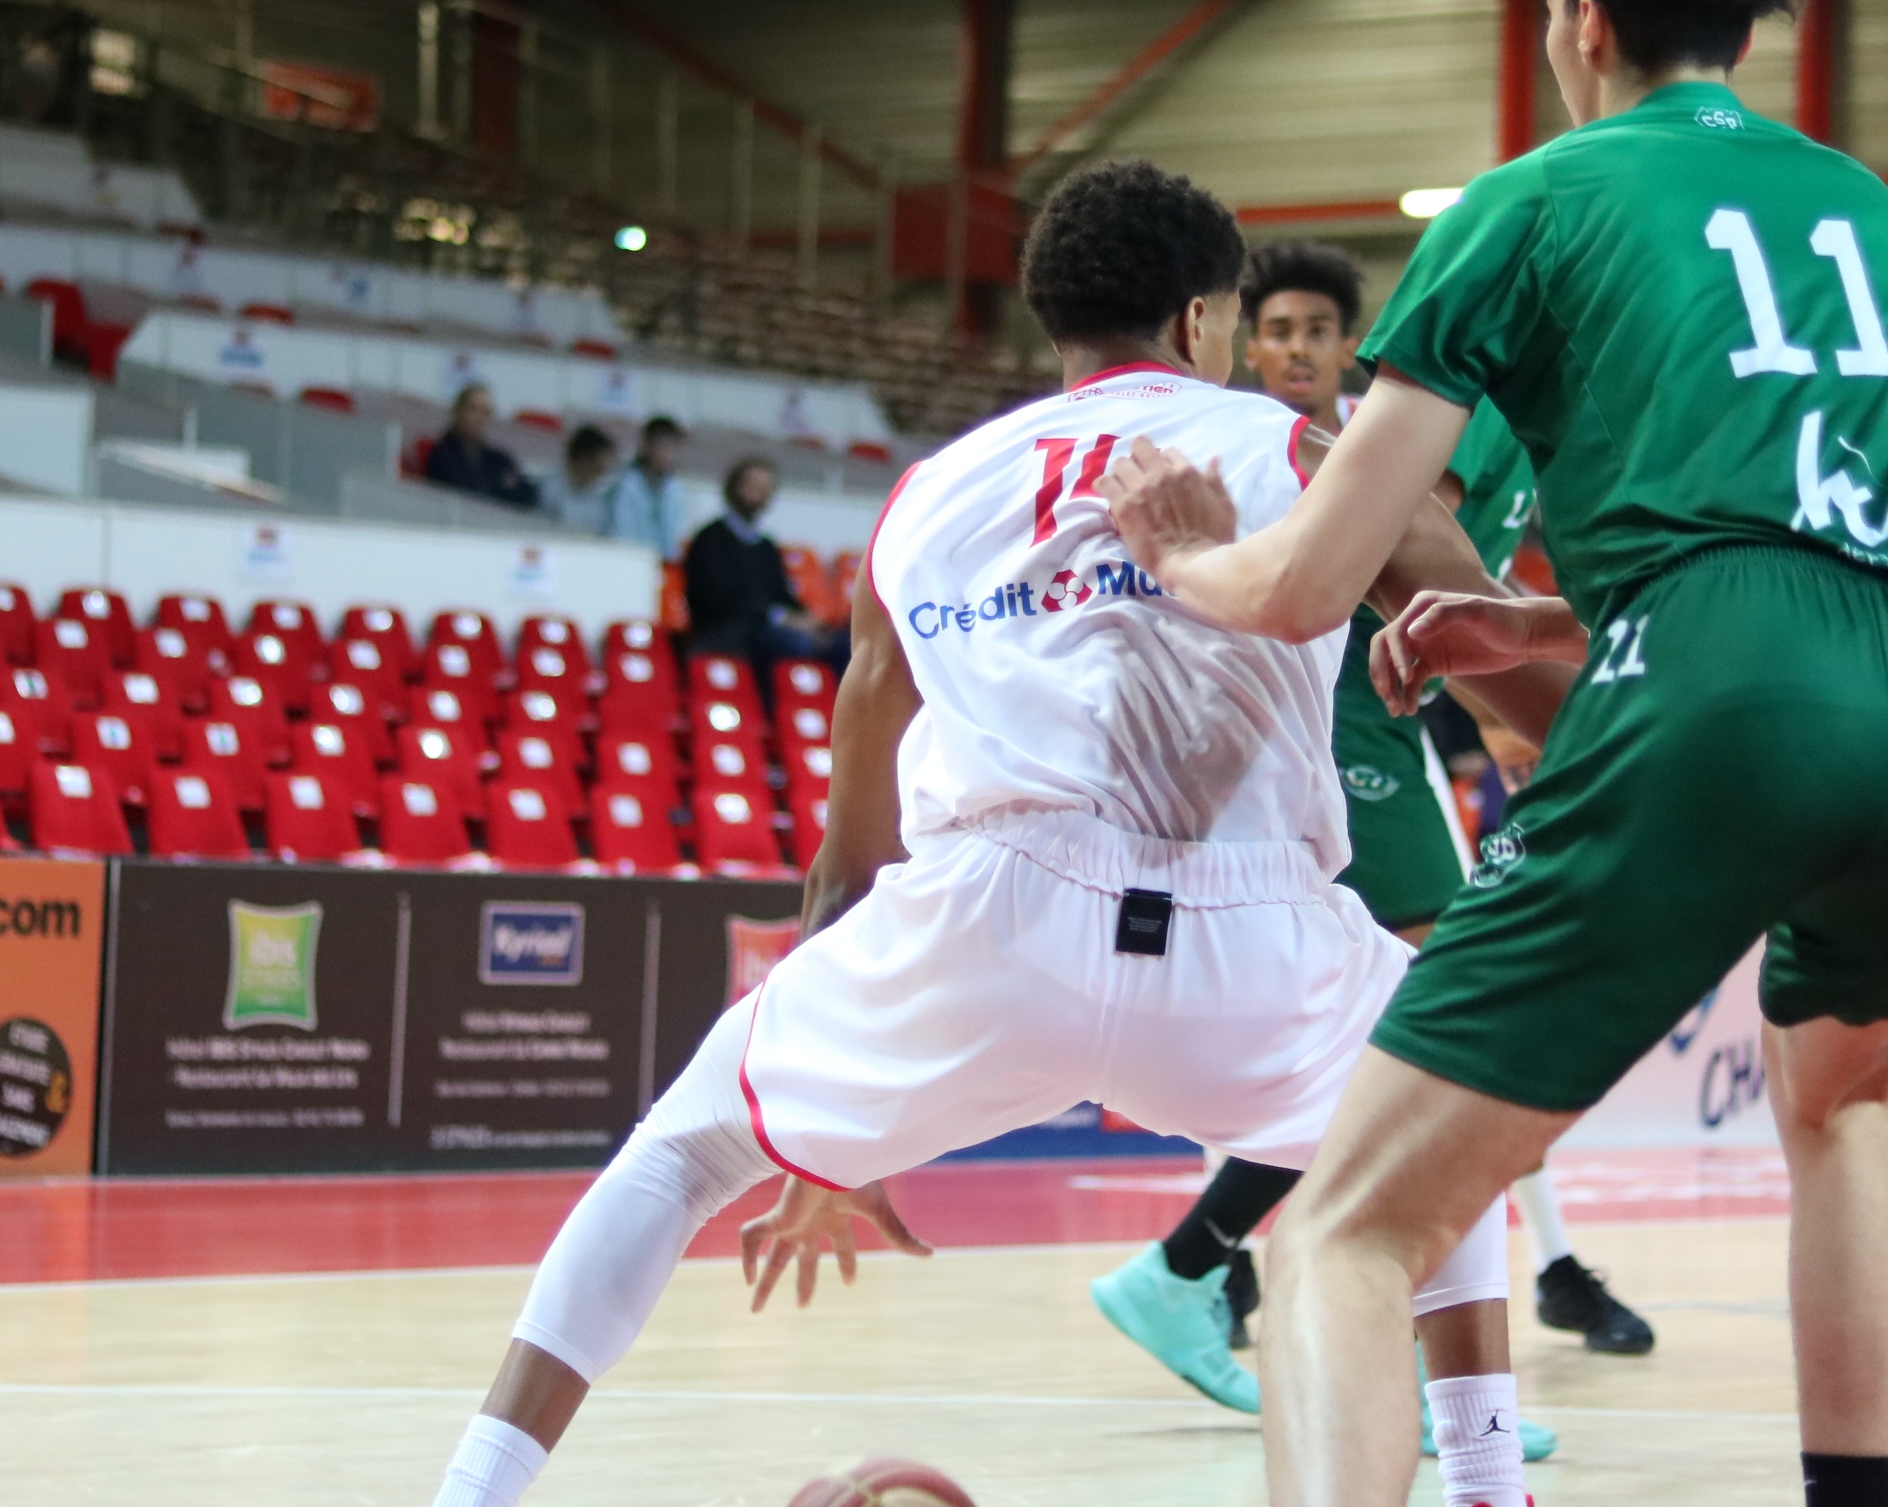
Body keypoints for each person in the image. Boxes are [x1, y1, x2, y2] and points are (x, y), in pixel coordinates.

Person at [1104, 0, 1888, 1507]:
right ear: (1746, 32)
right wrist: (1558, 630)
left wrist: (1181, 550)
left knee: (1341, 1226)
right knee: (1842, 1102)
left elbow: (1314, 572)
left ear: (1583, 18)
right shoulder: (1871, 208)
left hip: (1731, 682)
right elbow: (1818, 523)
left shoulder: (1528, 201)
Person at [426, 156, 1583, 1507]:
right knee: (1442, 1126)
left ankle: (474, 1493)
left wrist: (819, 1129)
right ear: (1208, 320)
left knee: (680, 1156)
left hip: (988, 918)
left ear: (1053, 321)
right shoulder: (1300, 454)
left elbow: (849, 854)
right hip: (1248, 934)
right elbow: (1549, 705)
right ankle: (1490, 1488)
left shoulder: (924, 497)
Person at [1091, 239, 1648, 1425]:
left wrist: (1509, 699)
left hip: (1397, 728)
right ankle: (1252, 1286)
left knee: (1412, 1044)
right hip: (1322, 733)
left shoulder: (1499, 424)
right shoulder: (1308, 438)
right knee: (1441, 1034)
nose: (1291, 348)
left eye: (1313, 331)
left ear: (1347, 346)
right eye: (1274, 327)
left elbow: (1464, 593)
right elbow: (1412, 577)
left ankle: (1207, 1268)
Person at [681, 458, 849, 673]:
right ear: (734, 487)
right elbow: (716, 600)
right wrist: (777, 617)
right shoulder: (709, 540)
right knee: (797, 644)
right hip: (728, 632)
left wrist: (808, 620)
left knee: (842, 645)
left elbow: (782, 595)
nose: (758, 493)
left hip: (766, 628)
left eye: (765, 488)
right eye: (752, 485)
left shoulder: (766, 545)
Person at [424, 383, 542, 510]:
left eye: (485, 412)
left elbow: (527, 494)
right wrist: (500, 487)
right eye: (473, 409)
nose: (479, 418)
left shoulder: (497, 458)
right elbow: (467, 493)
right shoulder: (441, 456)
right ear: (458, 411)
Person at [602, 415, 687, 558]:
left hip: (663, 565)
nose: (667, 454)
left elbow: (675, 538)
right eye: (662, 445)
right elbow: (622, 535)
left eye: (672, 447)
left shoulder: (675, 491)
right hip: (628, 560)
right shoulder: (625, 486)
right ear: (646, 446)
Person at [545, 425, 619, 531]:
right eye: (598, 469)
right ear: (584, 460)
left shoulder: (604, 496)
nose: (601, 476)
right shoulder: (549, 493)